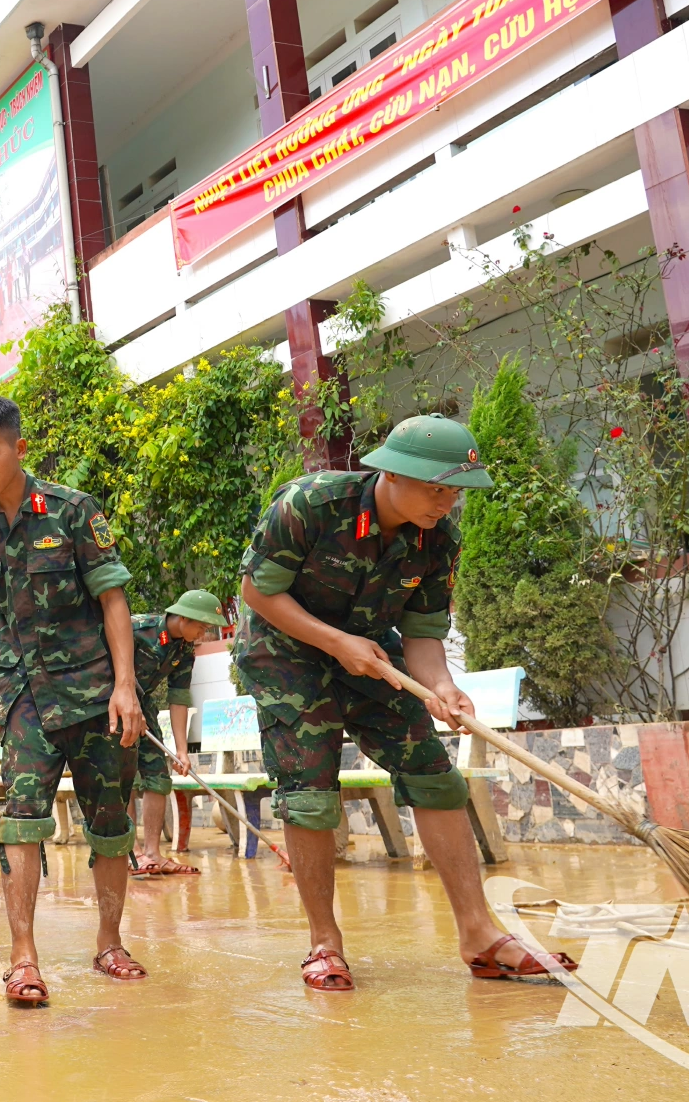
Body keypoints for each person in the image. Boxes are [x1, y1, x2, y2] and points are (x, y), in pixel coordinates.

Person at [236, 414, 576, 990]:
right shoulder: (311, 504)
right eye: (434, 487)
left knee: (436, 777)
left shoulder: (439, 539)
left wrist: (442, 687)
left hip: (372, 651)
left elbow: (421, 634)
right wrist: (336, 643)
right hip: (286, 654)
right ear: (391, 472)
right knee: (311, 795)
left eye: (454, 491)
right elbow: (257, 590)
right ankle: (325, 942)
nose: (445, 502)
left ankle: (478, 933)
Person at [0, 396, 146, 1006]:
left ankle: (110, 942)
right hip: (23, 697)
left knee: (109, 824)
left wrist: (125, 685)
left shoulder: (71, 512)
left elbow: (113, 600)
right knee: (23, 820)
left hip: (92, 694)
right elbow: (1, 615)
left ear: (17, 449)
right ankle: (23, 959)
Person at [125, 591, 222, 879]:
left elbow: (179, 697)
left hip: (144, 704)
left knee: (158, 774)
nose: (203, 636)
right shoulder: (137, 629)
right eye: (202, 628)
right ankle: (132, 854)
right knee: (122, 777)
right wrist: (127, 701)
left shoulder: (185, 648)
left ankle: (152, 854)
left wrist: (182, 750)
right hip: (110, 702)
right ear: (182, 618)